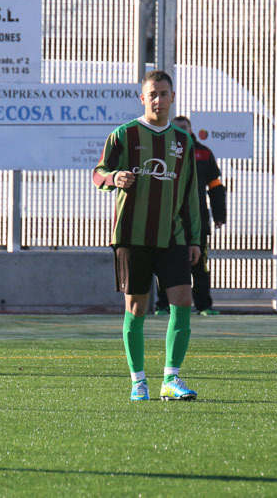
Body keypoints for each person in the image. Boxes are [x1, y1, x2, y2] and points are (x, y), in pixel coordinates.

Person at [93, 70, 202, 401]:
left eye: (163, 93)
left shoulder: (184, 141)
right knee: (137, 309)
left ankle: (171, 378)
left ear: (172, 97)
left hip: (173, 237)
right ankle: (138, 381)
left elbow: (191, 193)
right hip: (132, 236)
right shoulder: (124, 135)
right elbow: (98, 173)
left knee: (182, 302)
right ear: (143, 98)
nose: (158, 99)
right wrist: (114, 177)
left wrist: (195, 239)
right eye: (152, 94)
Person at [154, 116, 226, 316]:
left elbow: (215, 186)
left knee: (200, 265)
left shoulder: (203, 153)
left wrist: (219, 215)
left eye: (184, 128)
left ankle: (204, 306)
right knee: (166, 264)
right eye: (176, 128)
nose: (180, 132)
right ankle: (163, 305)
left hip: (198, 221)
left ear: (191, 130)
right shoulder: (162, 151)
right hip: (169, 221)